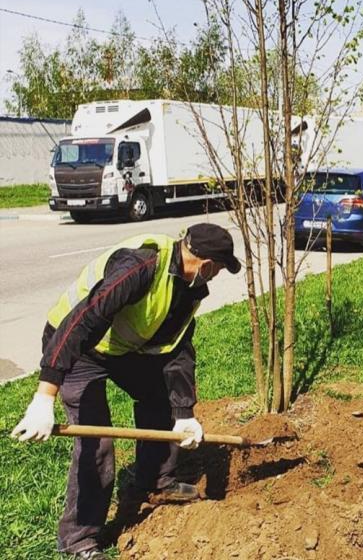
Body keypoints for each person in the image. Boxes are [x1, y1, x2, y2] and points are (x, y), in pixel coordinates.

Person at [10, 223, 241, 559]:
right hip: (75, 346)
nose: (216, 275)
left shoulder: (188, 288)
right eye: (218, 269)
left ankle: (154, 482)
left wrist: (184, 414)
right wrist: (44, 395)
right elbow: (85, 320)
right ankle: (78, 539)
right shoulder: (141, 265)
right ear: (206, 265)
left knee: (159, 400)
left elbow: (176, 350)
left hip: (118, 348)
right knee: (96, 440)